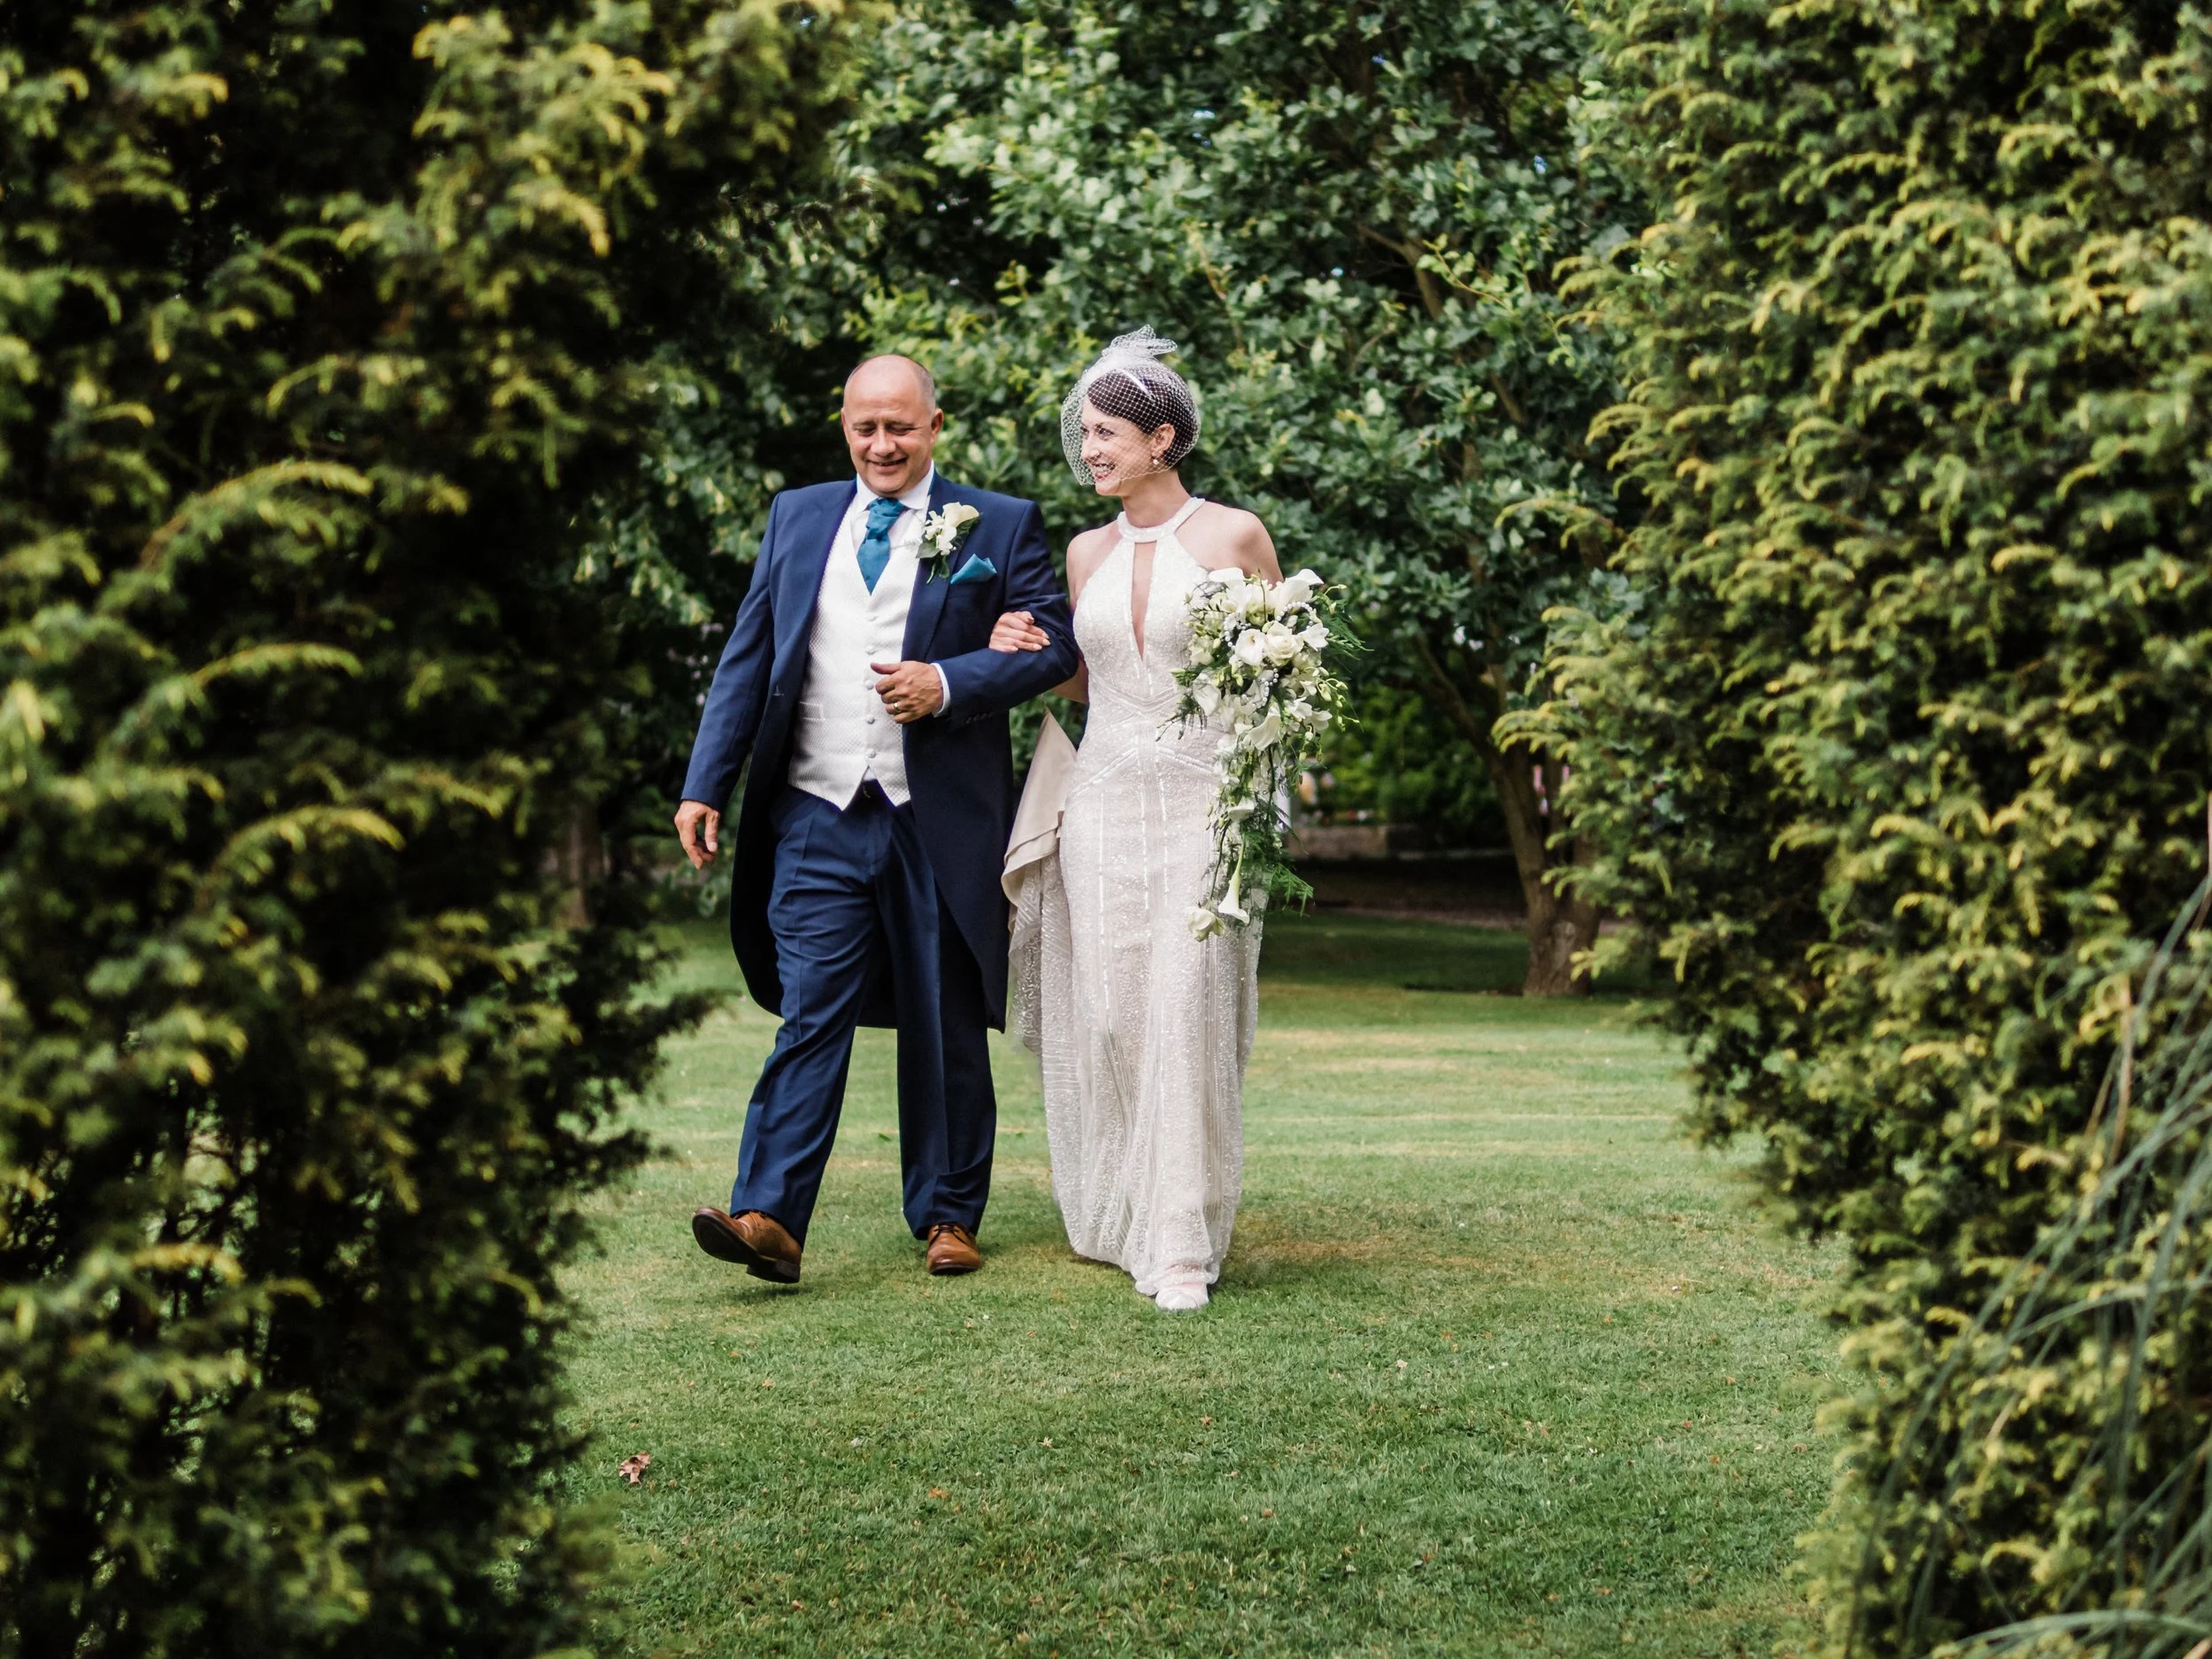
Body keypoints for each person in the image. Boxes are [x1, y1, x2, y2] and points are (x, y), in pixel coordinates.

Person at [675, 356, 1079, 1284]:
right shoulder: (798, 517)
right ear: (845, 426)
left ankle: (948, 1214)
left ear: (935, 425)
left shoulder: (998, 522)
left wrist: (950, 681)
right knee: (810, 1013)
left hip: (935, 818)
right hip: (816, 811)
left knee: (941, 1014)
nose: (882, 444)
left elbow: (1054, 645)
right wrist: (706, 784)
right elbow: (748, 658)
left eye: (900, 426)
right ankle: (768, 1215)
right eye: (866, 427)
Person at [993, 329, 1281, 1311]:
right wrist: (1021, 640)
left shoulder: (1235, 536)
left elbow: (1278, 672)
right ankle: (1125, 1211)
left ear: (1162, 439)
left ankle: (1181, 1246)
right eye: (1084, 433)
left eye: (1107, 432)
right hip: (1105, 801)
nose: (1090, 449)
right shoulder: (1083, 551)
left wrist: (1259, 792)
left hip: (1205, 800)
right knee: (1113, 1012)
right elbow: (1083, 680)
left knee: (1186, 1005)